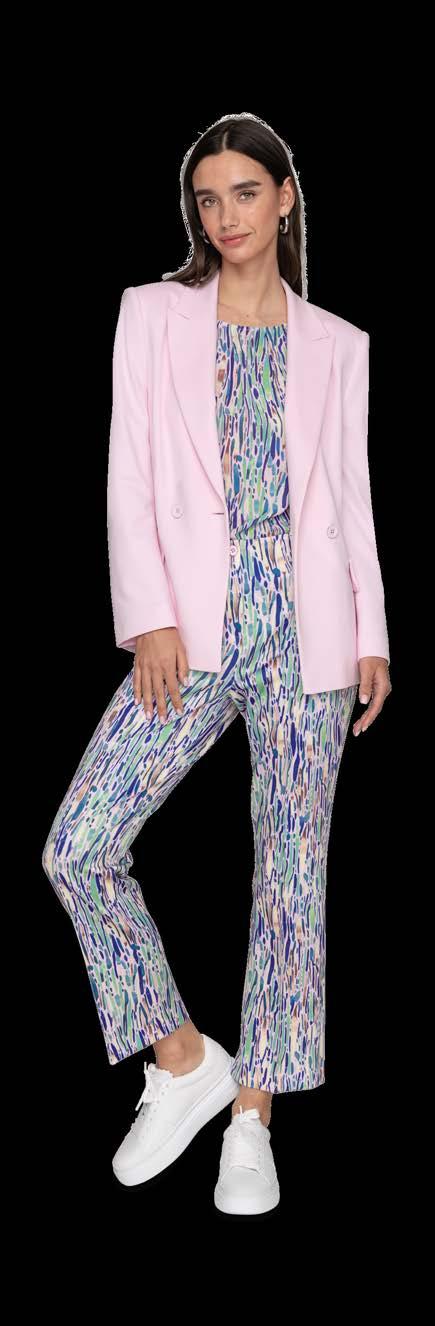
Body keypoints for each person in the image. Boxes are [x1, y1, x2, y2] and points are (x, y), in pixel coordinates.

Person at [41, 112, 392, 1216]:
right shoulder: (152, 315)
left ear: (286, 197)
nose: (225, 216)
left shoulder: (339, 342)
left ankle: (254, 1120)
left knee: (290, 876)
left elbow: (351, 494)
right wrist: (147, 617)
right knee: (78, 846)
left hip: (310, 631)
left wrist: (372, 633)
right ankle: (186, 1060)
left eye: (246, 192)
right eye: (207, 197)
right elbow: (127, 471)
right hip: (188, 629)